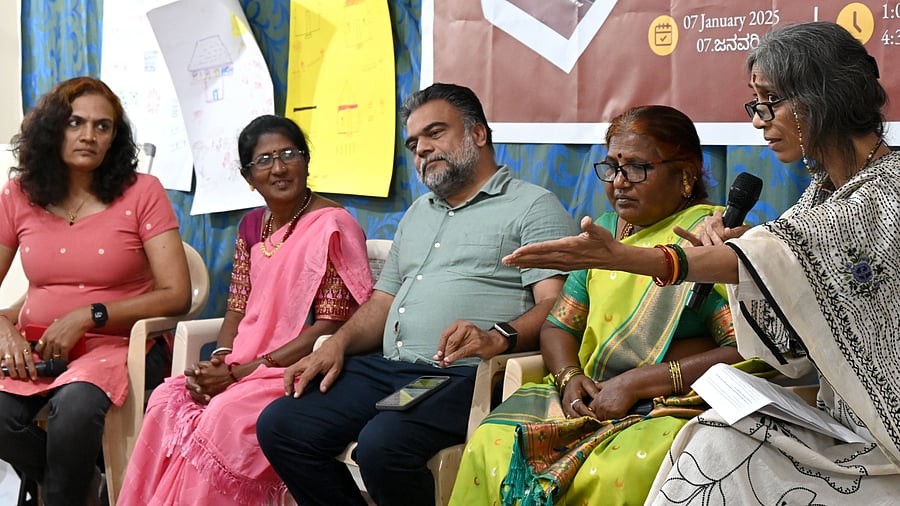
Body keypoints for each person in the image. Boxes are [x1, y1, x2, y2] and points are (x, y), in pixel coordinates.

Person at [505, 22, 900, 503]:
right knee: (710, 439)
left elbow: (777, 253)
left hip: (886, 435)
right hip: (842, 423)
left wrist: (627, 257)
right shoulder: (820, 195)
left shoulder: (888, 190)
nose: (758, 120)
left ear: (820, 97)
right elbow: (787, 336)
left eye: (769, 100)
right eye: (755, 103)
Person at [255, 82, 579, 506]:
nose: (421, 148)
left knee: (382, 445)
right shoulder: (418, 213)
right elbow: (383, 302)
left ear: (478, 134)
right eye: (413, 142)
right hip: (389, 369)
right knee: (281, 424)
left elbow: (557, 307)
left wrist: (496, 336)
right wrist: (336, 344)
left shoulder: (533, 206)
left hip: (460, 375)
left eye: (435, 133)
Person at [449, 105, 744, 506]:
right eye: (610, 168)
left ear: (686, 173)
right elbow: (558, 326)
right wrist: (570, 379)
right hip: (588, 396)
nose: (619, 183)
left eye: (637, 168)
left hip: (670, 402)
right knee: (494, 440)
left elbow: (742, 350)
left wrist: (639, 382)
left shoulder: (707, 238)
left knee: (620, 470)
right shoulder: (604, 231)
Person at [117, 115, 375, 504]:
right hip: (245, 364)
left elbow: (331, 325)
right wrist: (222, 359)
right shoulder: (252, 225)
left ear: (306, 161)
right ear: (247, 176)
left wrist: (241, 375)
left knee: (225, 415)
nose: (279, 167)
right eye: (264, 160)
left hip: (299, 368)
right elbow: (237, 308)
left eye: (289, 154)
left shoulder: (333, 225)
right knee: (167, 401)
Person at [0, 76, 191, 505]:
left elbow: (176, 293)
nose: (89, 135)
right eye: (75, 122)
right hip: (37, 347)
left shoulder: (143, 192)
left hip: (120, 345)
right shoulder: (18, 195)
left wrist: (90, 315)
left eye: (102, 126)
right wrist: (3, 328)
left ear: (114, 138)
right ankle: (72, 486)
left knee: (75, 414)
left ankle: (62, 491)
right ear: (53, 128)